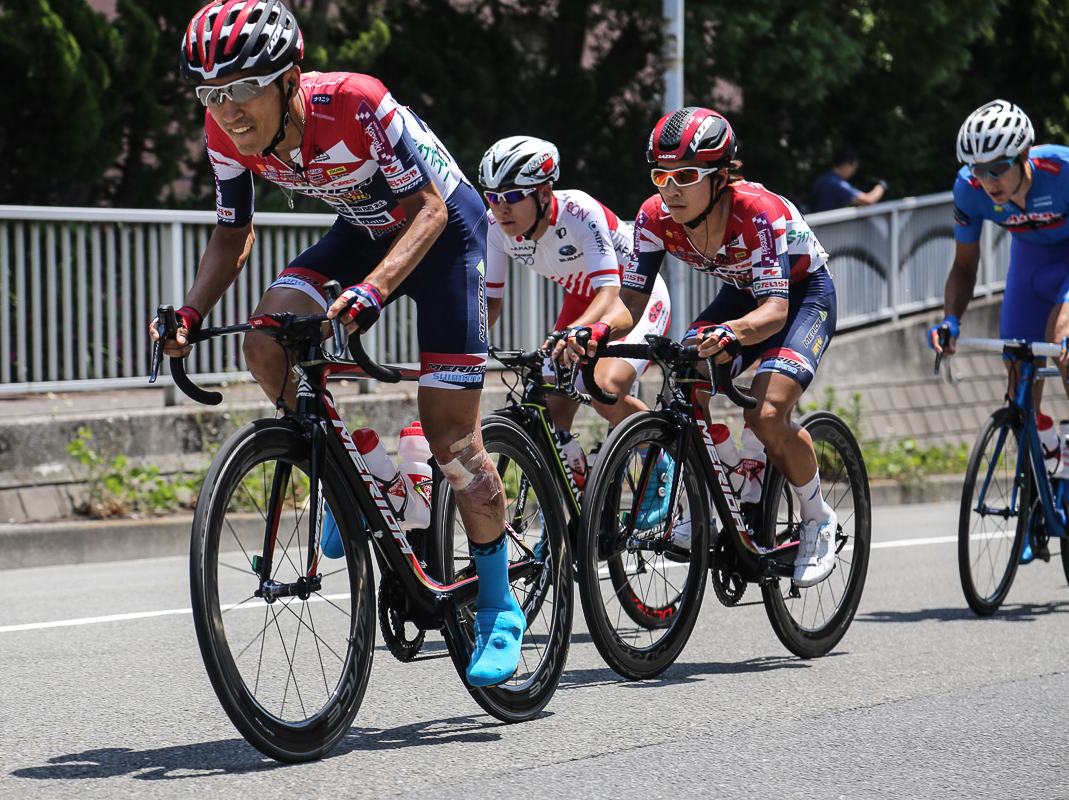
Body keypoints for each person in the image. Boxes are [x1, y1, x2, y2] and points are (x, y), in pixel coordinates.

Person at [152, 0, 523, 687]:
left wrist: (375, 291)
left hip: (445, 234)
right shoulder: (225, 132)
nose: (227, 110)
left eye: (240, 89)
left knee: (454, 443)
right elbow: (233, 234)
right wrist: (191, 312)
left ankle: (500, 604)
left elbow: (432, 210)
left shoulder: (354, 102)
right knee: (266, 342)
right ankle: (357, 476)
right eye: (210, 94)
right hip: (363, 231)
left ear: (290, 77)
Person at [573, 106, 840, 588]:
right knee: (685, 378)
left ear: (720, 177)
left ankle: (818, 518)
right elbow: (630, 301)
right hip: (742, 294)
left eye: (686, 175)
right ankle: (721, 491)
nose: (670, 188)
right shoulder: (654, 217)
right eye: (661, 175)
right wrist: (594, 332)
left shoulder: (756, 212)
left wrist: (732, 334)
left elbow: (775, 311)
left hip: (800, 296)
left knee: (764, 412)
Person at [928, 99, 1069, 556]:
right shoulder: (969, 191)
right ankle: (1046, 451)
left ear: (1025, 156)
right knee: (1018, 371)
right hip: (1029, 269)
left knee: (1062, 339)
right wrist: (951, 319)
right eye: (978, 168)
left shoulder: (1062, 170)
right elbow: (965, 267)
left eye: (998, 168)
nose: (987, 180)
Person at [478, 135, 672, 439]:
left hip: (631, 298)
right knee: (551, 405)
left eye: (513, 196)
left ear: (543, 194)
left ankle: (660, 452)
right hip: (584, 300)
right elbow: (490, 303)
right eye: (493, 197)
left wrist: (568, 333)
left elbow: (609, 293)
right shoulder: (494, 228)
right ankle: (576, 477)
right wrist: (464, 342)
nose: (502, 208)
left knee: (605, 392)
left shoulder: (580, 212)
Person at [810, 147, 886, 213]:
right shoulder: (838, 185)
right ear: (847, 165)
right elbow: (869, 200)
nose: (853, 171)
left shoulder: (821, 180)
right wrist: (880, 186)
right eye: (854, 167)